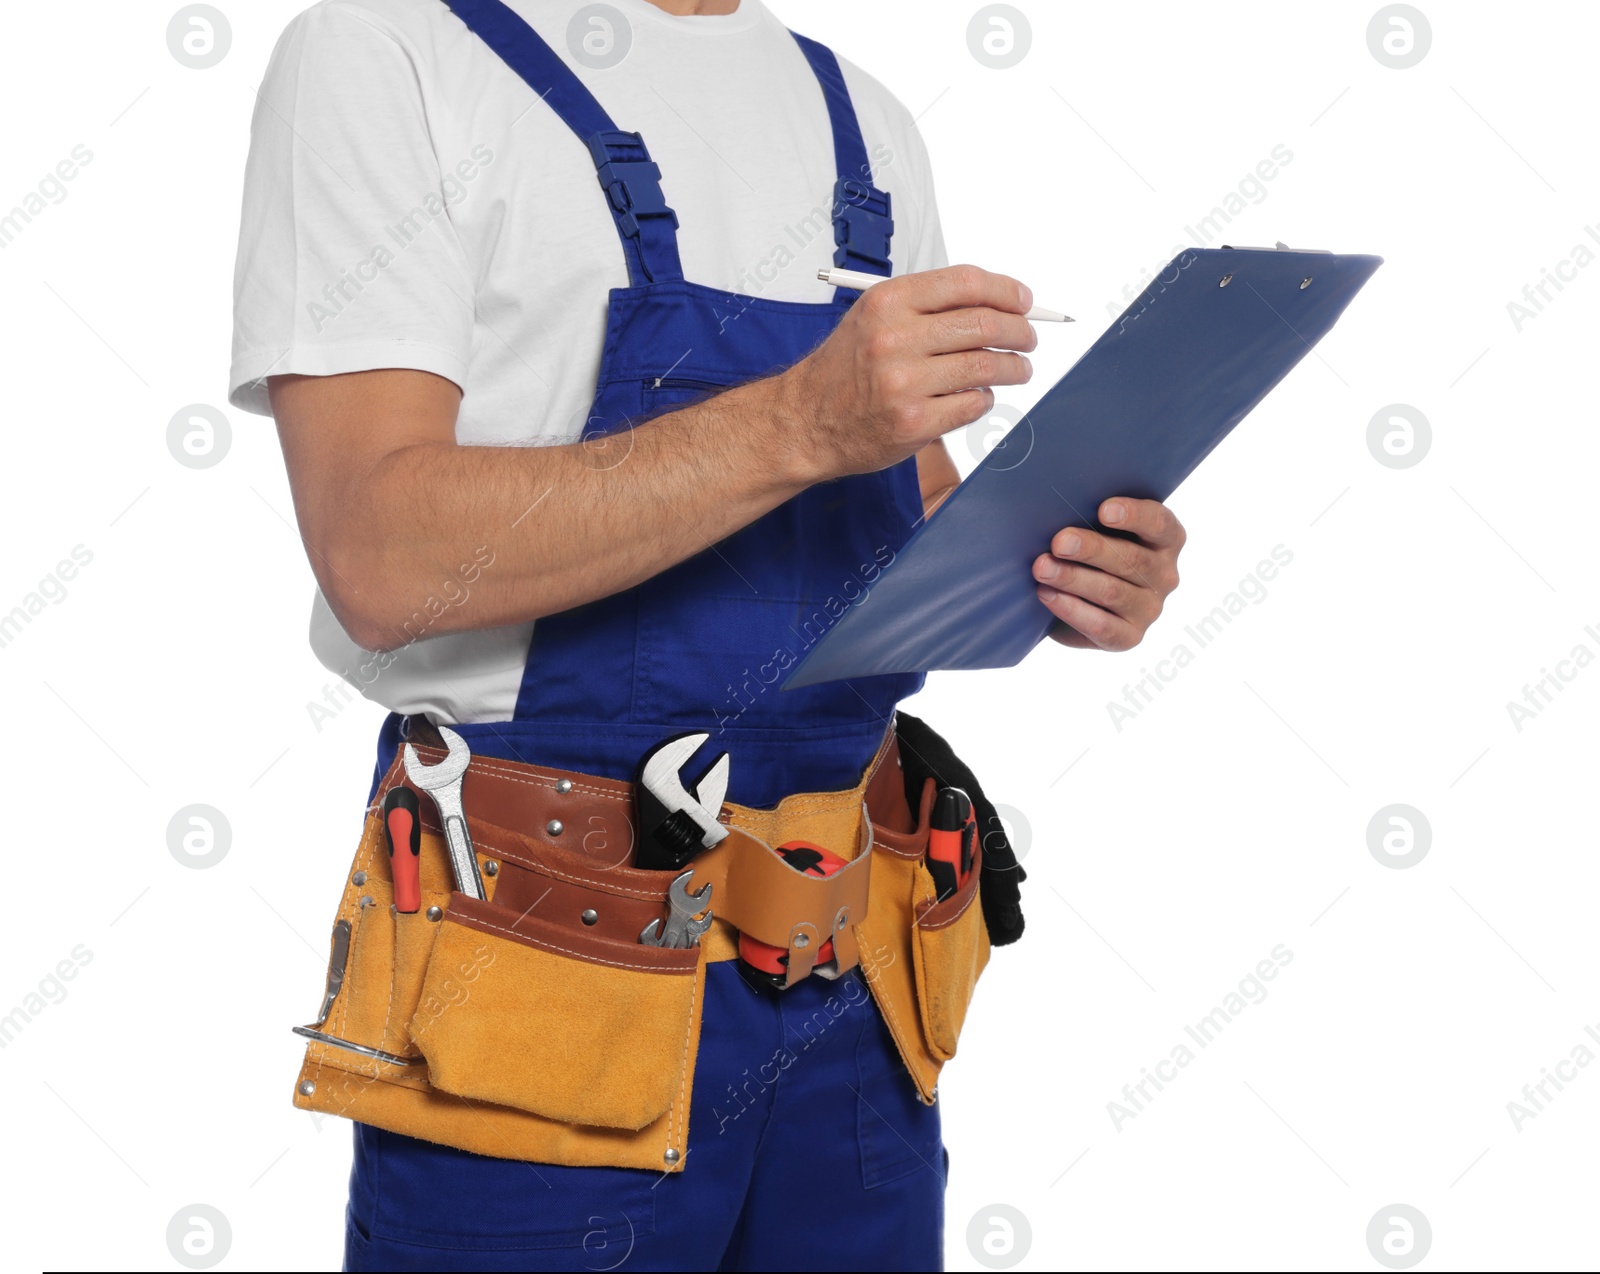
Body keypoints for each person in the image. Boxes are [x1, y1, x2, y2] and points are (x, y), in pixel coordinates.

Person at [231, 1, 1186, 1268]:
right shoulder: (390, 52)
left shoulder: (862, 116)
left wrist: (1057, 561)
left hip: (852, 979)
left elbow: (899, 505)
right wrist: (797, 418)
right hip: (543, 969)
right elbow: (381, 554)